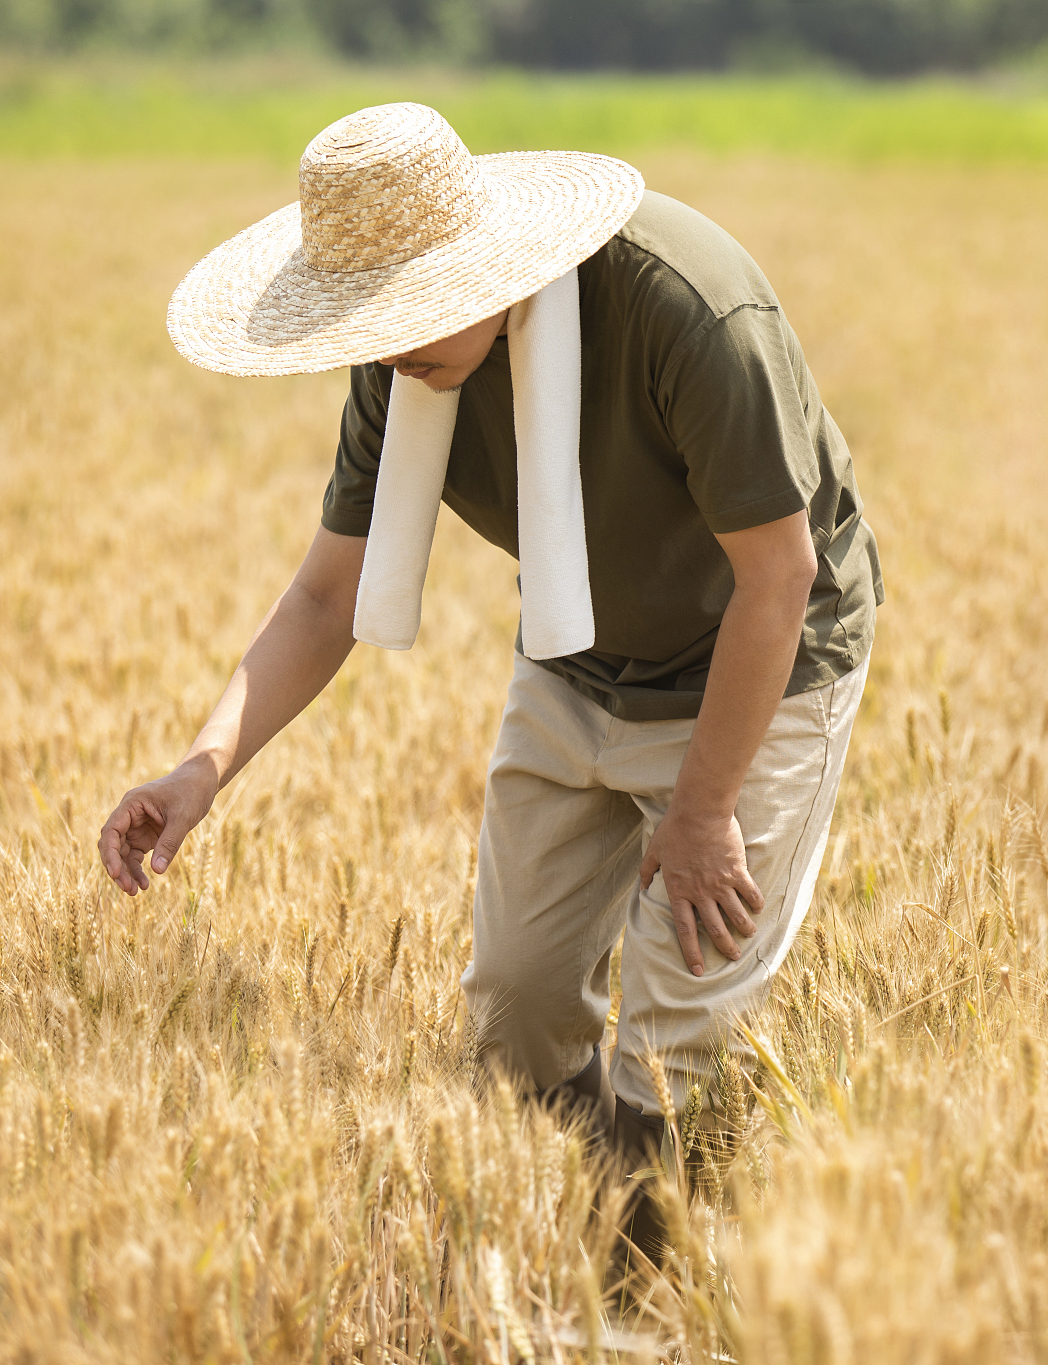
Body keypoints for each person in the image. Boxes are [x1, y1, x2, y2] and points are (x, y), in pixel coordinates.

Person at [96, 103, 881, 1226]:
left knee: (673, 1036)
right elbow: (326, 597)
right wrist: (199, 770)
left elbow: (779, 576)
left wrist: (703, 810)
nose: (384, 348)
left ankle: (641, 1283)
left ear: (487, 266)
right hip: (575, 661)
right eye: (362, 323)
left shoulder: (684, 311)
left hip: (756, 663)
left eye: (404, 313)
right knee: (513, 1019)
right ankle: (553, 1228)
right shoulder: (402, 361)